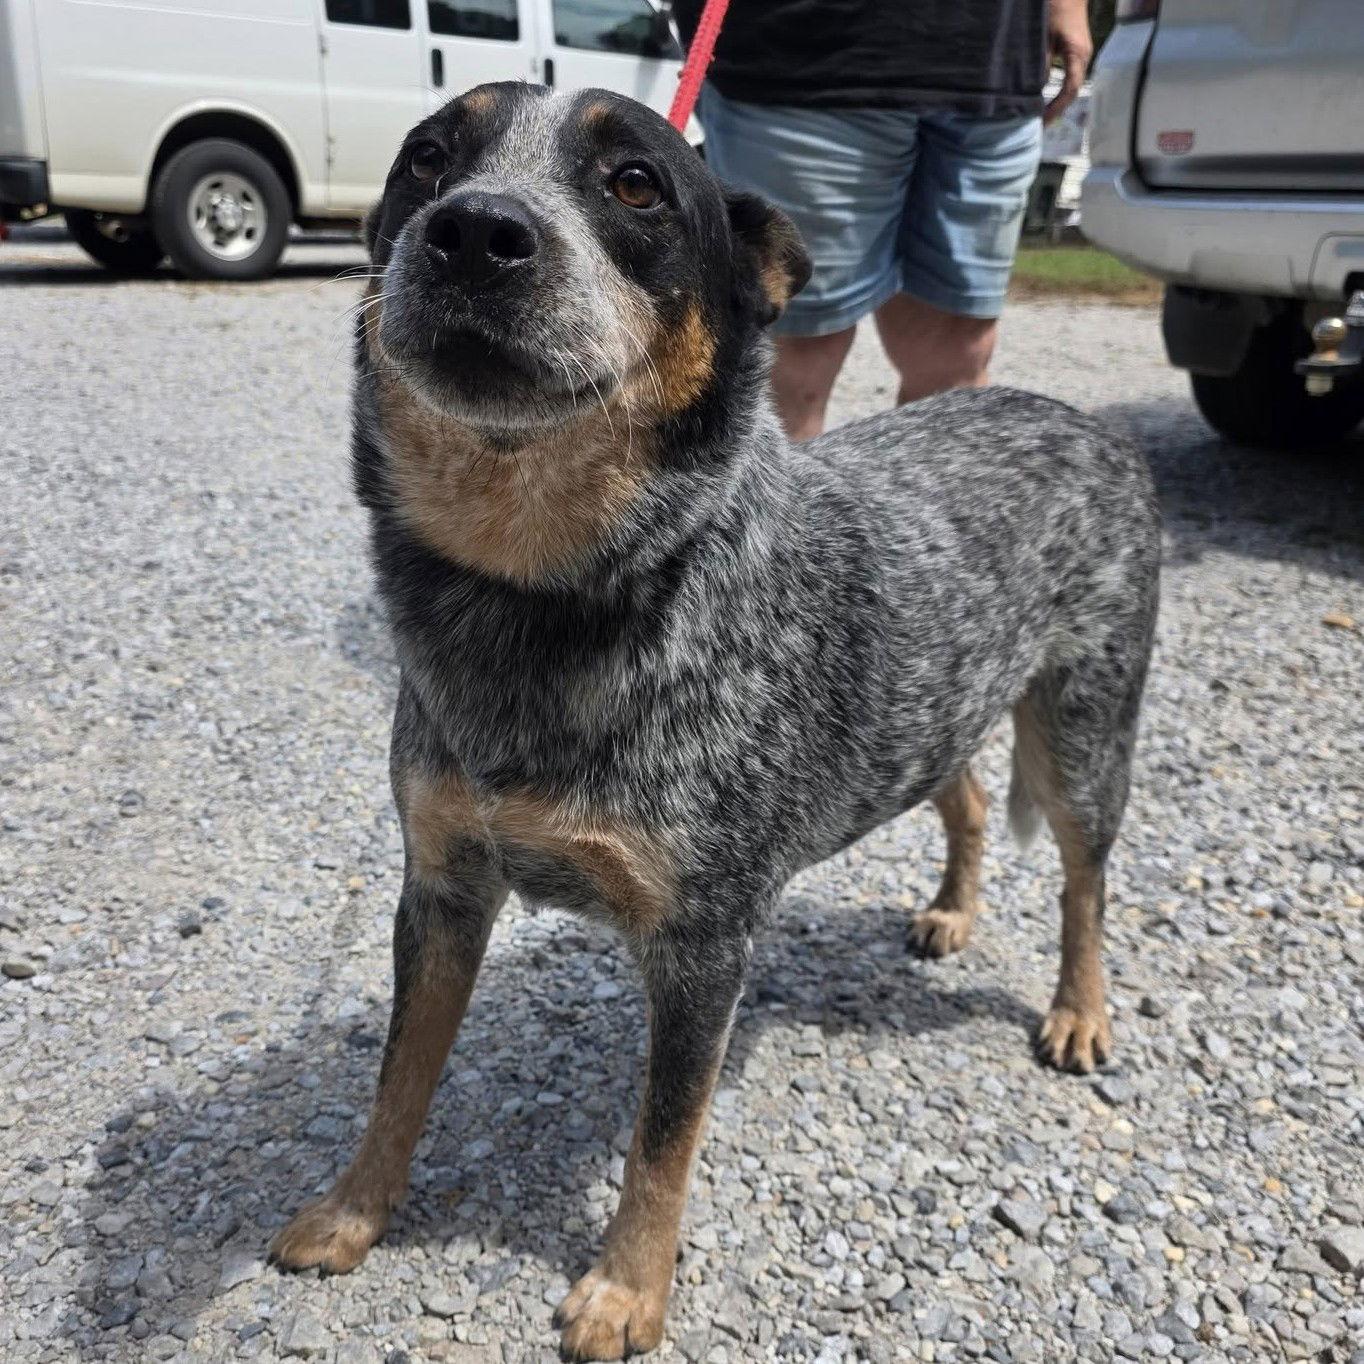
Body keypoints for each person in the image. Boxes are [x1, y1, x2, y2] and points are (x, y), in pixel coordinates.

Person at [673, 0, 1092, 441]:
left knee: (958, 354)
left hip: (995, 63)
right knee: (791, 357)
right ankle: (769, 511)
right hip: (799, 58)